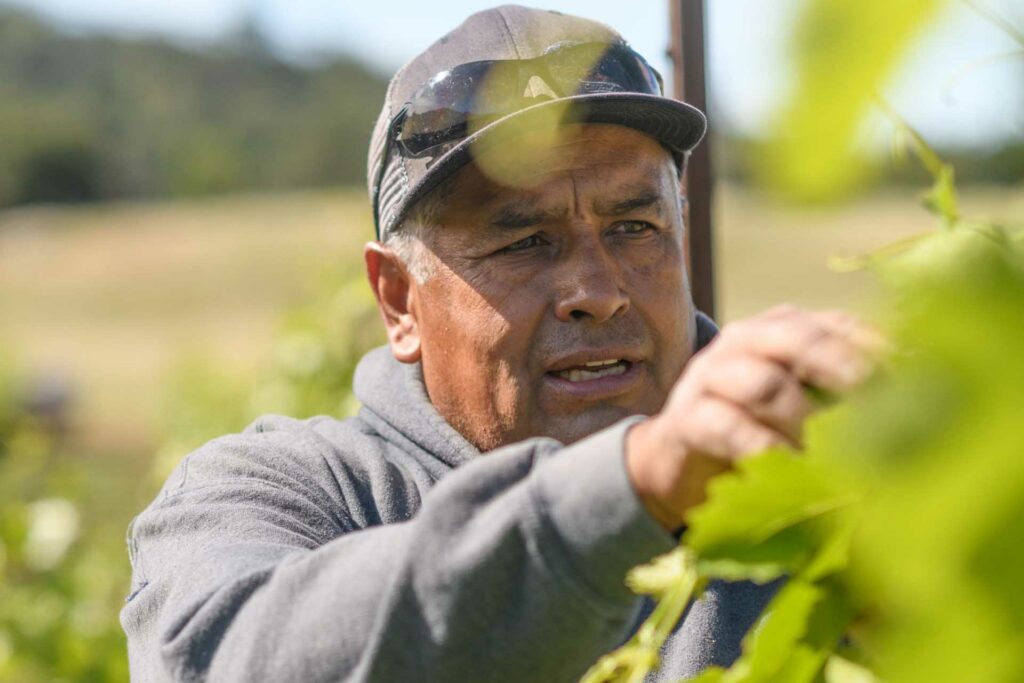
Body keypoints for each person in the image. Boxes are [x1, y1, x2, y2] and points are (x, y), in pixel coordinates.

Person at [121, 6, 878, 682]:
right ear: (398, 301)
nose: (597, 289)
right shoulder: (285, 493)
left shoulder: (822, 477)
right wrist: (632, 490)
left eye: (634, 227)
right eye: (524, 241)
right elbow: (217, 662)